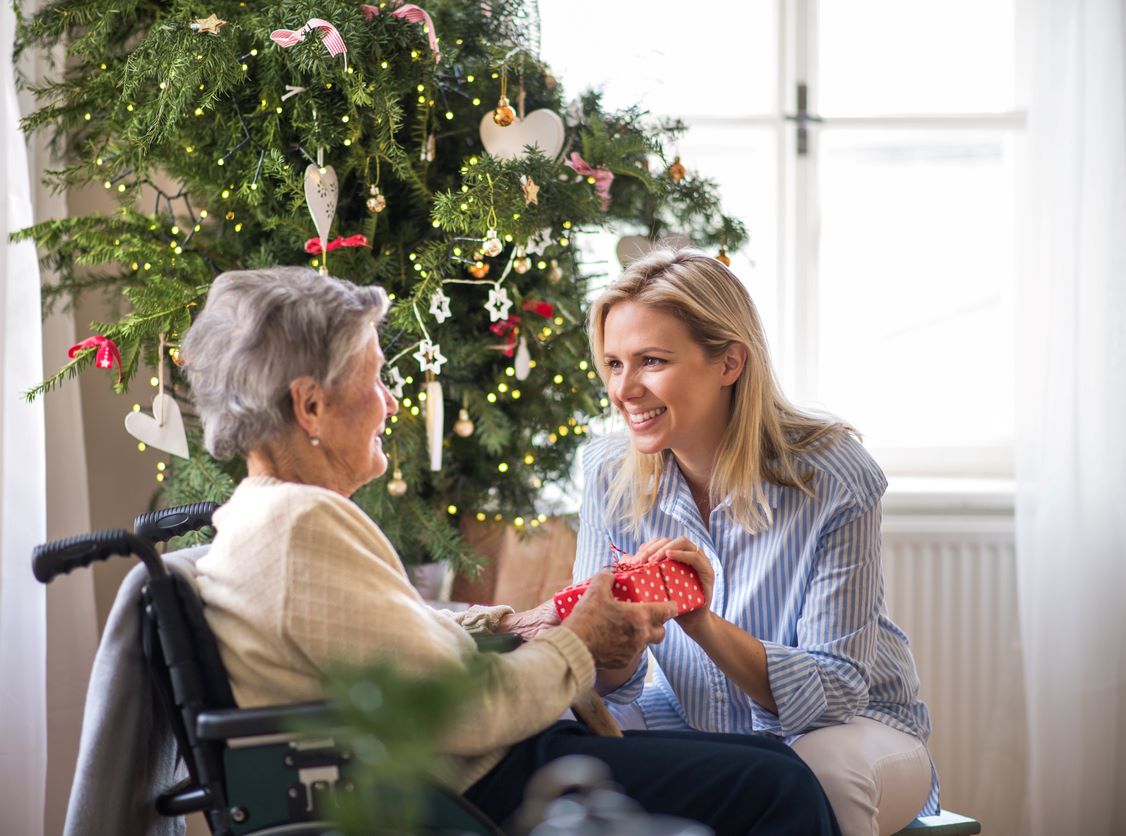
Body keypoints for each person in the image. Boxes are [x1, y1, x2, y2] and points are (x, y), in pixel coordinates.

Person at [182, 265, 840, 835]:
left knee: (777, 766)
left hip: (476, 770)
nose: (389, 403)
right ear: (311, 406)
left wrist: (519, 623)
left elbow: (386, 636)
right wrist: (578, 640)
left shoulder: (266, 517)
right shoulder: (301, 525)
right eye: (375, 379)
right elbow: (466, 712)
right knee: (780, 788)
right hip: (472, 789)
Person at [575, 247, 938, 836]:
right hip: (689, 722)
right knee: (585, 758)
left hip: (852, 730)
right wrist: (612, 641)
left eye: (651, 361)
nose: (625, 389)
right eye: (614, 364)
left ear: (729, 364)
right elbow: (604, 682)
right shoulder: (606, 473)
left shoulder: (833, 476)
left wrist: (702, 623)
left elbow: (837, 691)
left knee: (818, 774)